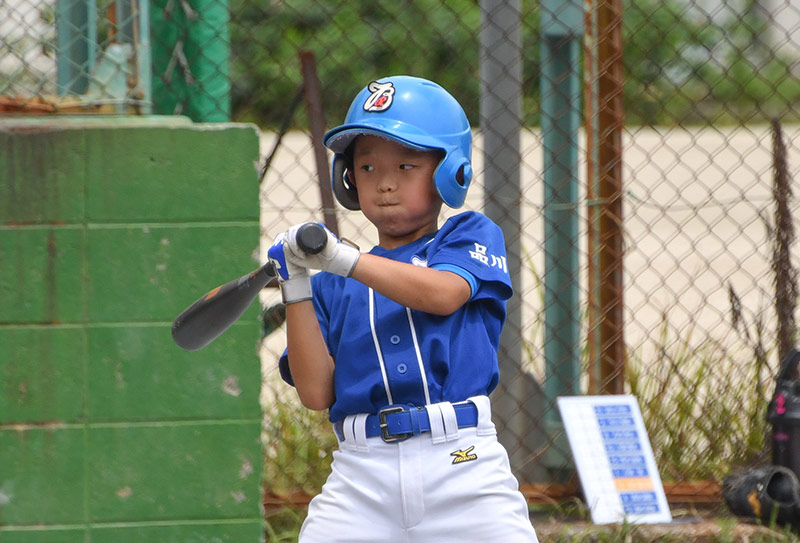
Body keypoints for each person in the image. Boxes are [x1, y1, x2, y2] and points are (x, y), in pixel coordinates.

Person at [268, 75, 538, 543]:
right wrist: (296, 287)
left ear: (449, 171)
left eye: (406, 166)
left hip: (462, 464)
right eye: (367, 168)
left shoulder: (468, 235)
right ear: (348, 178)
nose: (385, 184)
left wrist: (342, 259)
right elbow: (315, 393)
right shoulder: (333, 282)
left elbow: (442, 294)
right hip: (360, 474)